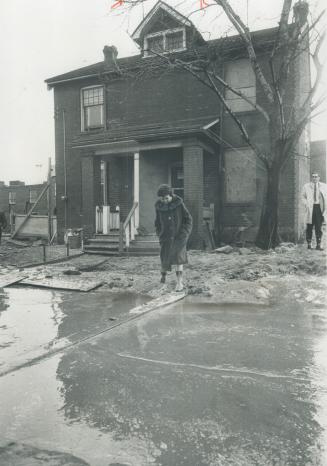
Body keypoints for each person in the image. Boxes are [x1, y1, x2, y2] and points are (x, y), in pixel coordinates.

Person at [155, 184, 193, 292]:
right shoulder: (159, 207)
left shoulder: (179, 204)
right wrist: (160, 234)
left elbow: (188, 220)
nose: (165, 201)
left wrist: (184, 234)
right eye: (162, 199)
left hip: (179, 238)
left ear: (171, 196)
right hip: (165, 239)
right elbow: (157, 223)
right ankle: (163, 282)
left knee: (178, 260)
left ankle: (179, 283)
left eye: (166, 198)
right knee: (164, 260)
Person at [302, 172, 327, 251]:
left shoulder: (324, 186)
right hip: (310, 207)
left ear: (319, 178)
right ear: (311, 178)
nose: (315, 178)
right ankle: (309, 244)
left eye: (316, 177)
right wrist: (306, 204)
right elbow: (302, 196)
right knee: (309, 226)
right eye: (313, 177)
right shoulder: (306, 186)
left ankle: (318, 245)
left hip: (319, 208)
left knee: (318, 226)